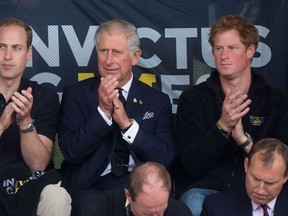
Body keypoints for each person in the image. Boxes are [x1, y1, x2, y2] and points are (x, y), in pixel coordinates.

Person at [58, 19, 174, 215]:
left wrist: (126, 125)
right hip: (92, 186)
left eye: (117, 52)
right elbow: (71, 151)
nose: (109, 60)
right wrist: (103, 112)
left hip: (142, 185)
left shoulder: (157, 100)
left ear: (135, 56)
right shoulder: (76, 94)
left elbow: (164, 157)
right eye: (103, 51)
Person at [175, 14, 288, 216]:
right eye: (218, 48)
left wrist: (244, 141)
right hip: (205, 190)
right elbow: (191, 166)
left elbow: (282, 164)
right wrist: (222, 126)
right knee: (192, 204)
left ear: (250, 50)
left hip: (259, 190)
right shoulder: (193, 98)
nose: (223, 55)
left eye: (232, 48)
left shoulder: (276, 101)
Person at [0, 18, 71, 215]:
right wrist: (1, 125)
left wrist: (25, 121)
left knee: (57, 197)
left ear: (28, 54)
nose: (7, 56)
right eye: (1, 46)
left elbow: (38, 165)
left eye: (16, 48)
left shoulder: (44, 97)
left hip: (28, 184)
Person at [201, 138, 288, 216]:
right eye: (255, 179)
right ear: (246, 165)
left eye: (270, 183)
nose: (260, 191)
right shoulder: (216, 207)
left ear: (285, 177)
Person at [82, 161, 192, 216]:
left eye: (160, 211)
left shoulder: (180, 212)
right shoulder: (99, 209)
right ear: (128, 196)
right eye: (147, 214)